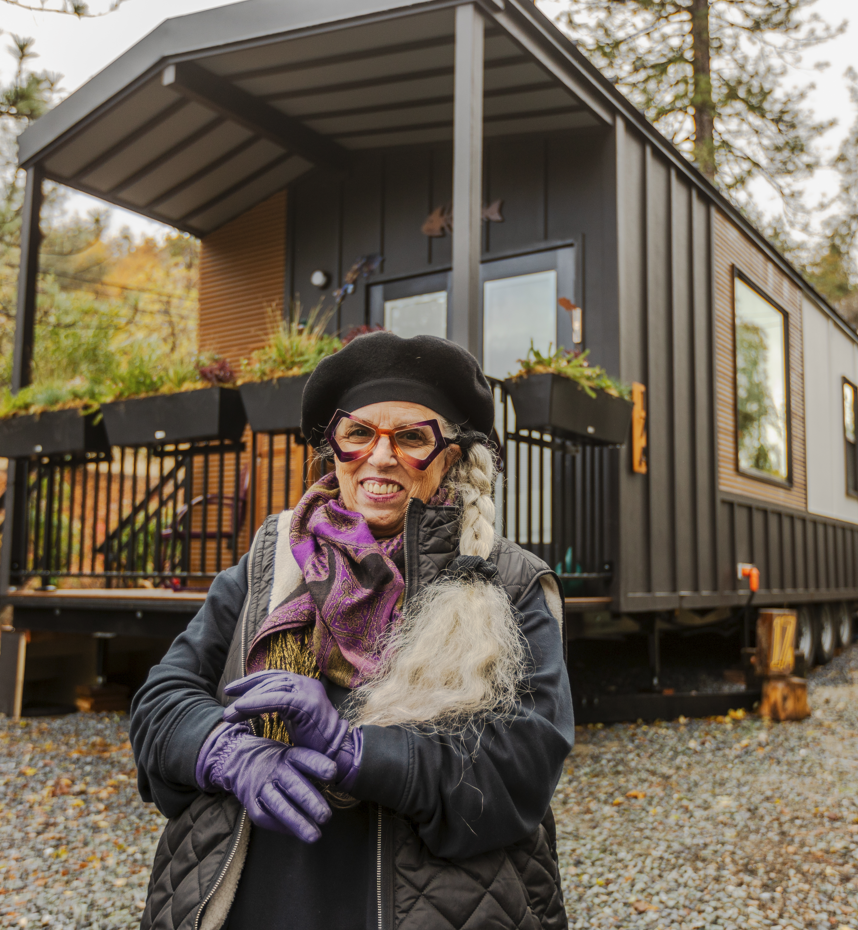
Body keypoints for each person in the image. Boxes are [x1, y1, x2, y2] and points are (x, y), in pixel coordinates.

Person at [129, 332, 574, 930]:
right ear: (334, 449)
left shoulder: (510, 581)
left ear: (452, 456)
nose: (380, 457)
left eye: (413, 438)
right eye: (358, 433)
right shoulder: (269, 562)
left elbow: (523, 768)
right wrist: (226, 750)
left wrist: (355, 752)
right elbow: (161, 703)